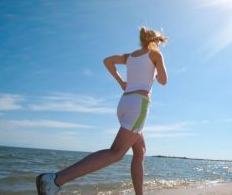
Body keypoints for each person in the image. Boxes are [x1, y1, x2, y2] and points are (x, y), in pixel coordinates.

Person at [36, 26, 168, 195]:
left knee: (140, 150)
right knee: (116, 152)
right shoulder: (155, 54)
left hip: (124, 104)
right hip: (139, 105)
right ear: (156, 41)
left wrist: (121, 82)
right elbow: (163, 80)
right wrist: (156, 73)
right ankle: (54, 180)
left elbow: (108, 61)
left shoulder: (130, 57)